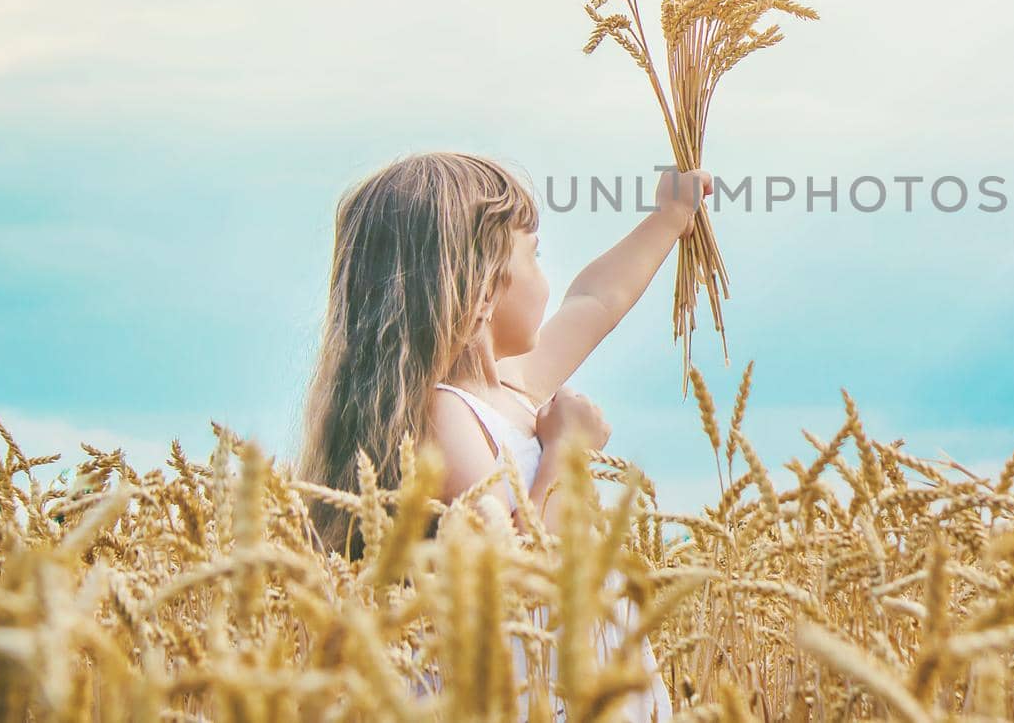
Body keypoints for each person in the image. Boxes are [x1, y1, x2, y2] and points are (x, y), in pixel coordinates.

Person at [296, 151, 710, 720]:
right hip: (525, 689)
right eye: (534, 256)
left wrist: (669, 218)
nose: (547, 277)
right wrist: (566, 453)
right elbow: (514, 571)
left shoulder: (512, 387)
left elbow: (596, 301)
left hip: (579, 670)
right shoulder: (443, 417)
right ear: (482, 281)